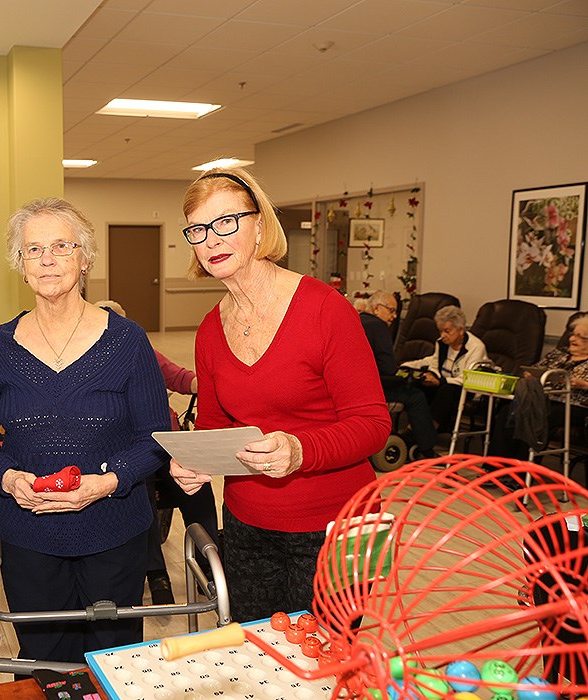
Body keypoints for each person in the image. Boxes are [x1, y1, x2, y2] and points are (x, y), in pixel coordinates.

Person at [167, 168, 391, 624]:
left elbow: (373, 424)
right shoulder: (211, 329)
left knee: (323, 665)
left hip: (336, 524)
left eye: (226, 221)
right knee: (255, 660)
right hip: (249, 524)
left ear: (260, 225)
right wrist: (195, 461)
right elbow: (215, 425)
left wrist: (300, 449)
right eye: (197, 229)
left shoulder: (325, 309)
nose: (211, 239)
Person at [0, 198, 170, 665]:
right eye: (34, 250)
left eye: (61, 246)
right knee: (45, 660)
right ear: (21, 265)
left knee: (115, 663)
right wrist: (10, 480)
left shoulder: (128, 340)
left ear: (85, 258)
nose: (48, 259)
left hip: (114, 531)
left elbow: (156, 436)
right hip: (28, 535)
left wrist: (109, 482)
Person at [95, 299, 219, 606]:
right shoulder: (90, 362)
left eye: (117, 321)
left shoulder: (140, 350)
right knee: (141, 492)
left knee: (199, 487)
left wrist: (213, 384)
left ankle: (212, 567)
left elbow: (179, 377)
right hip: (128, 450)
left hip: (167, 440)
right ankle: (156, 573)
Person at [489, 314, 588, 460]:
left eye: (581, 337)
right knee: (507, 411)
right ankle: (496, 466)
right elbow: (535, 369)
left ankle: (522, 472)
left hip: (575, 406)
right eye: (573, 335)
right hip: (544, 399)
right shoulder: (559, 353)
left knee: (534, 416)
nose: (572, 339)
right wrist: (531, 375)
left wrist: (583, 384)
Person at [359, 290, 439, 460]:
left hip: (353, 386)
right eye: (391, 310)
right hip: (373, 389)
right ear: (377, 309)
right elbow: (388, 368)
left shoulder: (357, 320)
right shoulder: (378, 326)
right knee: (416, 396)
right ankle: (427, 450)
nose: (394, 316)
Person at [401, 305, 488, 432]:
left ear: (461, 330)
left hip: (466, 389)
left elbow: (466, 379)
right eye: (440, 331)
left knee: (446, 391)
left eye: (447, 331)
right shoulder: (441, 343)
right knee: (420, 387)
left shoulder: (476, 347)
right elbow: (435, 366)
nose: (443, 335)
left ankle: (428, 431)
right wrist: (430, 375)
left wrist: (440, 381)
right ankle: (413, 427)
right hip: (444, 383)